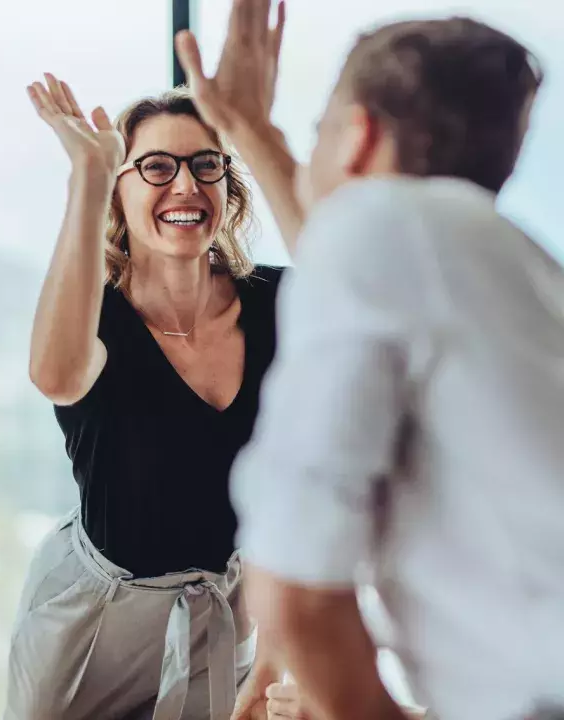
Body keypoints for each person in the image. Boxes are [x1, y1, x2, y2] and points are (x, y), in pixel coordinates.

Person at [175, 2, 564, 719]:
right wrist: (251, 131)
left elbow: (291, 584)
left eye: (318, 132)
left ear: (358, 138)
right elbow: (347, 253)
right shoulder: (514, 265)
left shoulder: (382, 226)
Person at [6, 61, 287, 719]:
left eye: (204, 165)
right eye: (155, 167)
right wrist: (88, 175)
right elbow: (56, 376)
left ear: (227, 182)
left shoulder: (283, 303)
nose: (185, 184)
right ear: (119, 193)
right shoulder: (92, 318)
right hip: (92, 626)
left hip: (223, 612)